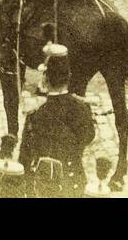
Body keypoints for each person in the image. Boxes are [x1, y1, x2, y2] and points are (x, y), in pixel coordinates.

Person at [17, 43, 95, 196]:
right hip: (71, 182)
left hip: (40, 184)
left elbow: (25, 155)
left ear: (45, 79)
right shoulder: (80, 108)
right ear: (69, 77)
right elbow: (88, 137)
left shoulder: (36, 111)